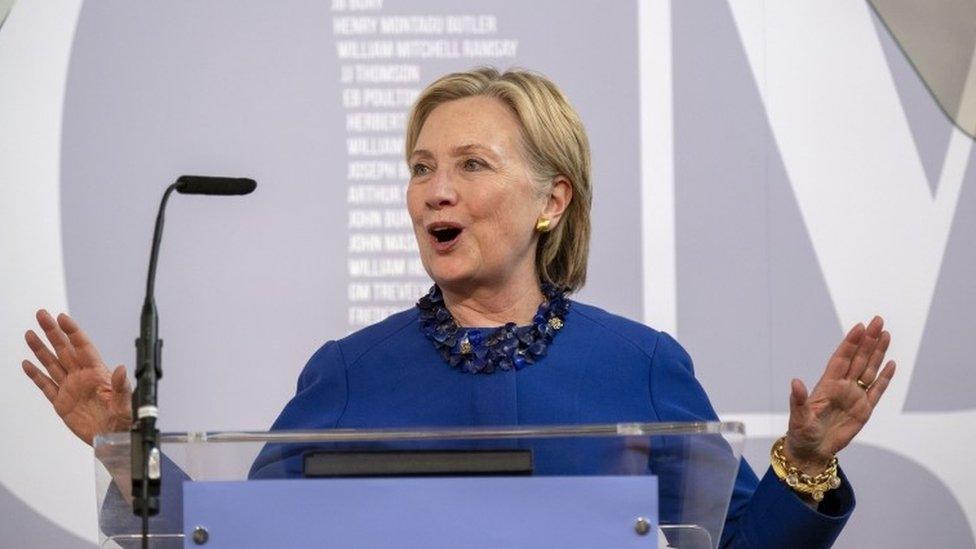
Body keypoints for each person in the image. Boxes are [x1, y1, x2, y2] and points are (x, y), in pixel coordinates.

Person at [22, 68, 896, 547]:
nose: (434, 192)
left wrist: (806, 462)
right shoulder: (350, 372)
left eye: (471, 165)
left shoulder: (640, 366)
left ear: (552, 201)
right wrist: (127, 459)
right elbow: (239, 542)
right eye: (420, 167)